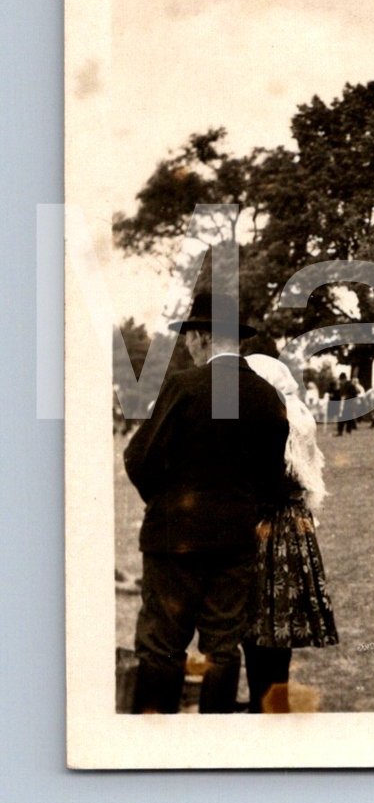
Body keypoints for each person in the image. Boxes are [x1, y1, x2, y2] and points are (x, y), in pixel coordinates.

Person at [122, 291, 292, 713]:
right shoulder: (267, 397)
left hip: (173, 538)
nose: (187, 345)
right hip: (236, 541)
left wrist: (164, 501)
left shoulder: (183, 387)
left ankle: (155, 739)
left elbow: (139, 458)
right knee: (222, 647)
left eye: (188, 337)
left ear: (201, 336)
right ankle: (215, 739)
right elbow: (274, 483)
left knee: (162, 645)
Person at [242, 346, 339, 711]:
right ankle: (273, 698)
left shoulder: (273, 415)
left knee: (258, 619)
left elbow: (272, 478)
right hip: (293, 526)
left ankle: (264, 700)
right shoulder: (298, 413)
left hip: (269, 525)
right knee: (277, 620)